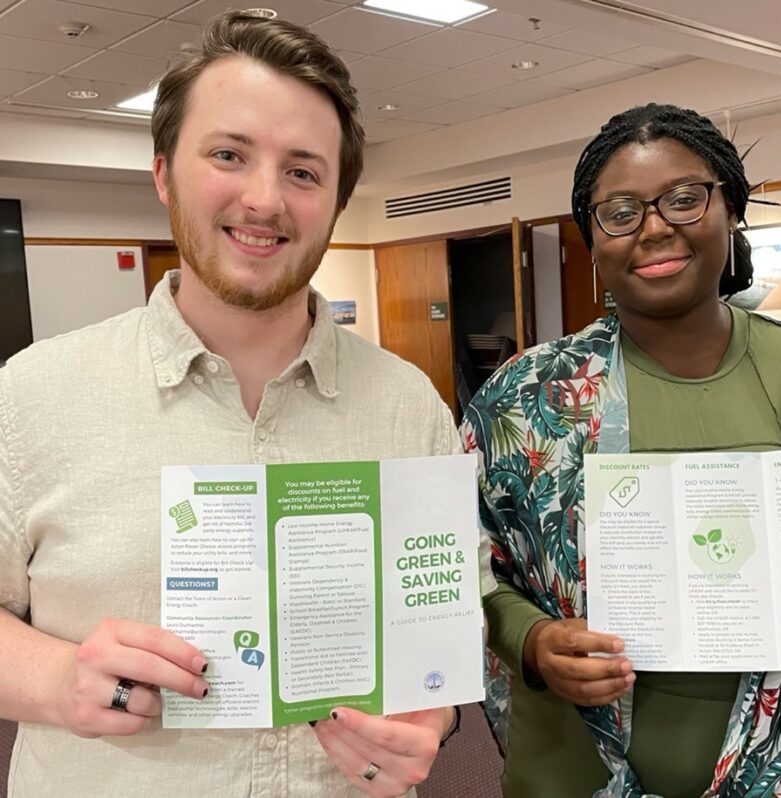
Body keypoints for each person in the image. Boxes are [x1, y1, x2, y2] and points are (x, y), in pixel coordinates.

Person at [0, 12, 491, 798]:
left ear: (335, 202)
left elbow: (451, 608)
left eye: (303, 172)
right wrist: (60, 678)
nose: (264, 199)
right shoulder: (32, 395)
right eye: (229, 154)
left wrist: (433, 717)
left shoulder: (407, 406)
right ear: (163, 172)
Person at [461, 103, 781, 797]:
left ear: (730, 210)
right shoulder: (529, 397)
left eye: (684, 199)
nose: (654, 228)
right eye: (619, 212)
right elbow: (453, 560)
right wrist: (529, 639)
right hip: (582, 762)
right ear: (593, 237)